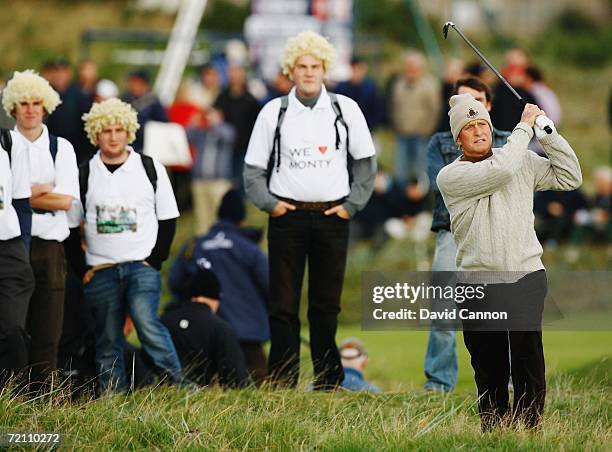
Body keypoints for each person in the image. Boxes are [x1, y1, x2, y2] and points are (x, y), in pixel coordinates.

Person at [437, 94, 582, 430]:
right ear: (457, 138)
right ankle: (494, 428)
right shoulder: (451, 176)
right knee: (490, 366)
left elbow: (570, 176)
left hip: (525, 275)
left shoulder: (520, 159)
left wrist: (547, 132)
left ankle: (528, 428)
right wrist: (524, 127)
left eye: (482, 124)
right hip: (477, 281)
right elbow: (500, 171)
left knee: (527, 360)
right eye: (469, 127)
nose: (477, 131)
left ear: (491, 128)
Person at [243, 30, 377, 389]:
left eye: (314, 66)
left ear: (324, 68)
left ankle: (328, 380)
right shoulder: (274, 111)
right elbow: (253, 169)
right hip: (288, 217)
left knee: (325, 304)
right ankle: (283, 380)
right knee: (283, 305)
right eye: (301, 66)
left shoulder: (344, 108)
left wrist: (352, 205)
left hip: (334, 216)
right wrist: (270, 205)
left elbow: (366, 163)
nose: (307, 72)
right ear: (290, 69)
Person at [64, 98, 186, 393]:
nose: (114, 136)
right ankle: (113, 396)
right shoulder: (84, 173)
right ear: (95, 134)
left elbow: (168, 218)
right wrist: (83, 269)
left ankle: (178, 386)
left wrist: (155, 260)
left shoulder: (149, 167)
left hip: (141, 267)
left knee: (146, 324)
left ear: (129, 132)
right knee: (107, 337)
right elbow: (70, 227)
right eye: (106, 130)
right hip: (101, 269)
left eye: (120, 129)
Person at [425, 76, 511, 393]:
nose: (468, 110)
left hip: (498, 233)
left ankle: (509, 382)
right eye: (459, 102)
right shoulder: (439, 142)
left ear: (488, 105)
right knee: (444, 310)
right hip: (452, 232)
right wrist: (488, 179)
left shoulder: (508, 140)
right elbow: (442, 182)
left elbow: (518, 177)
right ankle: (439, 381)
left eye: (475, 101)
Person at [3, 69, 80, 388]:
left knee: (48, 329)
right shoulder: (5, 144)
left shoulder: (61, 148)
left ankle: (42, 396)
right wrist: (41, 191)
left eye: (36, 102)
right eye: (23, 103)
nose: (30, 109)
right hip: (12, 243)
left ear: (46, 105)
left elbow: (66, 201)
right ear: (12, 108)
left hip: (50, 247)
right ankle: (11, 392)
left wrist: (24, 194)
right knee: (12, 326)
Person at [169, 189, 269, 383]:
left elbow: (175, 282)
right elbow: (270, 287)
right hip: (248, 335)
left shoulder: (194, 246)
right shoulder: (250, 249)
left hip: (204, 334)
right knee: (256, 385)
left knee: (204, 384)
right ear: (242, 219)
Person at [162, 267, 250, 388]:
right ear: (216, 298)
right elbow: (236, 379)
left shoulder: (164, 321)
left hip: (161, 394)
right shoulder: (221, 328)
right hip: (201, 398)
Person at [0, 128, 35, 389]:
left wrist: (23, 248)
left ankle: (14, 400)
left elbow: (22, 205)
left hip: (9, 249)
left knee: (12, 328)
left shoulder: (10, 143)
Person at [389, 50, 441, 189]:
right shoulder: (399, 83)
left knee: (421, 171)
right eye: (408, 66)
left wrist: (427, 129)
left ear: (420, 68)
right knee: (401, 171)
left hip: (421, 135)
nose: (410, 69)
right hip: (402, 133)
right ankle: (401, 201)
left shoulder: (430, 84)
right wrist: (397, 125)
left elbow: (434, 110)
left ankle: (422, 201)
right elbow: (395, 105)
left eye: (413, 66)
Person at [214, 64, 260, 187]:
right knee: (225, 180)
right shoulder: (222, 97)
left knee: (240, 179)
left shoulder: (250, 100)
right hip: (224, 147)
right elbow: (215, 117)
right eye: (232, 74)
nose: (234, 77)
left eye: (237, 74)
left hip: (244, 146)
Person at [121, 70, 168, 153]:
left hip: (148, 145)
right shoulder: (126, 99)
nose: (133, 85)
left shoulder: (153, 101)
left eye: (136, 81)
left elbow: (163, 123)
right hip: (130, 144)